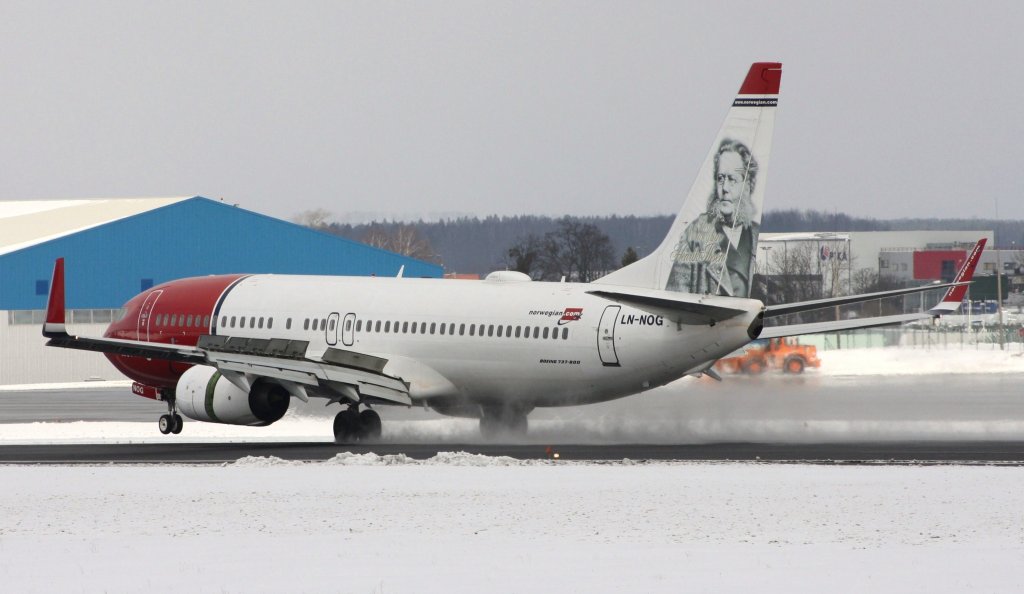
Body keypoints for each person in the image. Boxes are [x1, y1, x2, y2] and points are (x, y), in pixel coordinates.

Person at [666, 139, 760, 297]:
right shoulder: (695, 234)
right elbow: (676, 293)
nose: (724, 188)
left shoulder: (755, 235)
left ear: (748, 185)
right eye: (720, 178)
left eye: (732, 179)